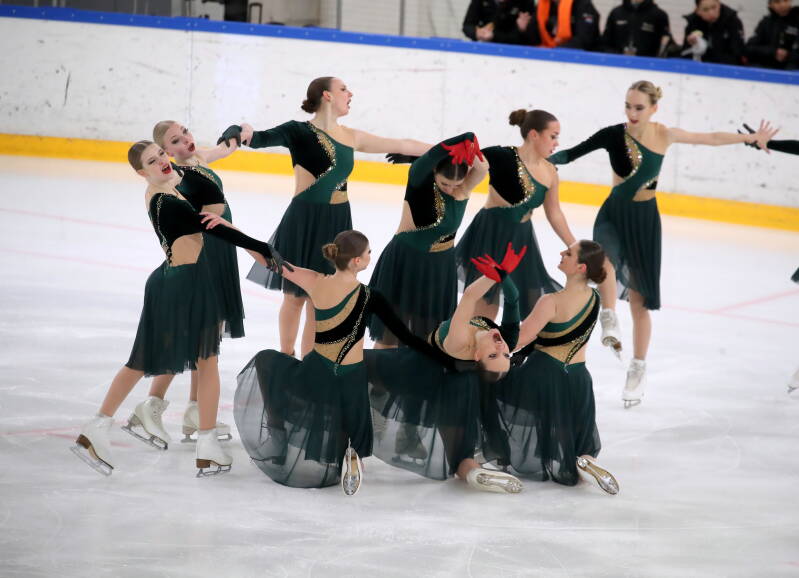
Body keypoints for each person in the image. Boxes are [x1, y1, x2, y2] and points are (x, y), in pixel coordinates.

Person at [549, 81, 776, 408]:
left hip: (644, 221)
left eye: (639, 107)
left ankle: (638, 367)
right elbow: (571, 154)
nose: (631, 113)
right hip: (613, 213)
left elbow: (709, 138)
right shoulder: (613, 134)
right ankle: (609, 316)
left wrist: (748, 137)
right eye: (627, 105)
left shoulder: (664, 135)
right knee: (605, 264)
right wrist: (543, 158)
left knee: (641, 301)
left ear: (654, 108)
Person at [71, 141, 283, 477]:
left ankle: (102, 427)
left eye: (161, 155)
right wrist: (259, 248)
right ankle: (205, 443)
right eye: (152, 162)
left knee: (167, 360)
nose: (162, 163)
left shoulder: (169, 188)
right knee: (194, 361)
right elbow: (212, 225)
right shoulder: (165, 202)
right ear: (142, 173)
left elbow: (210, 208)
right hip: (183, 284)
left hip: (181, 279)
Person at [218, 77, 431, 358]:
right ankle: (286, 357)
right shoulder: (297, 130)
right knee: (295, 296)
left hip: (337, 222)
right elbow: (257, 139)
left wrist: (445, 149)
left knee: (320, 299)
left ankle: (309, 361)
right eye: (344, 89)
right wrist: (239, 131)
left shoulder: (351, 136)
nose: (350, 93)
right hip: (305, 220)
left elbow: (403, 143)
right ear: (326, 96)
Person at [233, 230, 450, 495]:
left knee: (267, 362)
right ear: (357, 261)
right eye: (368, 252)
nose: (371, 255)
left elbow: (269, 259)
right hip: (351, 379)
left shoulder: (315, 281)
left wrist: (227, 230)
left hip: (317, 374)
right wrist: (442, 357)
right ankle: (352, 450)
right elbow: (405, 336)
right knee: (358, 398)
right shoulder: (370, 297)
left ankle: (279, 430)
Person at [122, 121, 243, 451]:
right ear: (166, 153)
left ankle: (195, 409)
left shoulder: (199, 157)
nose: (185, 141)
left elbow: (226, 146)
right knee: (191, 332)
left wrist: (238, 130)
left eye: (186, 133)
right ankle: (153, 403)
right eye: (174, 141)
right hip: (207, 251)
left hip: (221, 252)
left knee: (210, 333)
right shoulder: (175, 180)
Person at [367, 245, 527, 493]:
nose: (502, 346)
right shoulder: (507, 339)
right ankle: (472, 472)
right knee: (458, 451)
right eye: (505, 354)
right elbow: (514, 299)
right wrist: (503, 275)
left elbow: (471, 296)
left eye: (494, 354)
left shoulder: (459, 342)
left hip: (425, 372)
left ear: (476, 356)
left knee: (361, 369)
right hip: (460, 385)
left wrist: (498, 274)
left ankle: (473, 472)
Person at [489, 240, 619, 494]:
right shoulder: (594, 299)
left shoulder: (551, 301)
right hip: (580, 382)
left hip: (544, 377)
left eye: (568, 253)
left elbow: (516, 342)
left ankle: (494, 451)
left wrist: (486, 335)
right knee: (579, 444)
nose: (561, 253)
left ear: (581, 267)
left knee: (487, 385)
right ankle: (586, 462)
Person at [369, 133, 488, 347]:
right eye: (445, 184)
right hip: (406, 261)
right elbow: (433, 155)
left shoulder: (463, 191)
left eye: (456, 183)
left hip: (440, 268)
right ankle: (379, 377)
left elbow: (482, 167)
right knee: (392, 333)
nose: (451, 189)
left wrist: (469, 147)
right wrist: (459, 140)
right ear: (434, 171)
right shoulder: (418, 182)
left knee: (429, 336)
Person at [455, 108, 574, 322]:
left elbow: (554, 213)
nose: (556, 143)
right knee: (485, 307)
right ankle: (469, 350)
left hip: (521, 241)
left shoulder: (550, 172)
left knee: (528, 304)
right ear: (534, 134)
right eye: (553, 136)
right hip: (491, 234)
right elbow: (459, 156)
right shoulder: (503, 156)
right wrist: (417, 157)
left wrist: (573, 244)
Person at [681, 0, 745, 65]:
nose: (711, 13)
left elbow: (737, 52)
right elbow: (685, 53)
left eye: (714, 7)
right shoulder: (693, 23)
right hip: (699, 67)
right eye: (705, 10)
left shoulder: (733, 21)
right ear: (698, 11)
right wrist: (691, 45)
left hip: (726, 67)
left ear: (719, 4)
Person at [602, 0, 673, 57]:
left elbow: (666, 46)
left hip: (647, 67)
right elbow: (604, 43)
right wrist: (619, 55)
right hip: (616, 64)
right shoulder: (616, 13)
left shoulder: (659, 15)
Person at [746, 0, 799, 69]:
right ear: (771, 5)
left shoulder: (797, 21)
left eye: (785, 0)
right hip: (766, 65)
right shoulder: (765, 22)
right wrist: (773, 52)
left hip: (792, 67)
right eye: (777, 2)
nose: (782, 5)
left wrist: (788, 55)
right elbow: (749, 48)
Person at [462, 0, 538, 45]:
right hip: (485, 49)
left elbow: (533, 38)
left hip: (515, 52)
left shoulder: (525, 2)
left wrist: (522, 30)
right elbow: (467, 25)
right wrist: (477, 33)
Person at [533, 0, 601, 50]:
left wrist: (555, 50)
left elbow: (585, 40)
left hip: (579, 59)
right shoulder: (542, 5)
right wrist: (522, 30)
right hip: (547, 54)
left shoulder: (584, 5)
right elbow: (533, 37)